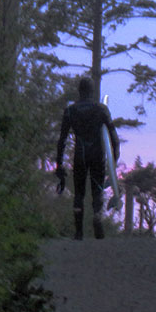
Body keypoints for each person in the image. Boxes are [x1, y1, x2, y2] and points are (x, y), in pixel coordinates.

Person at [56, 77, 120, 240]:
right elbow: (113, 136)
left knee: (79, 193)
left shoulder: (70, 111)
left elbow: (62, 139)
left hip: (80, 155)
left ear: (79, 91)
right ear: (92, 91)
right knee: (97, 190)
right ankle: (97, 216)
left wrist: (59, 164)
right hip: (97, 155)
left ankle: (78, 232)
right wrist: (114, 159)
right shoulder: (101, 109)